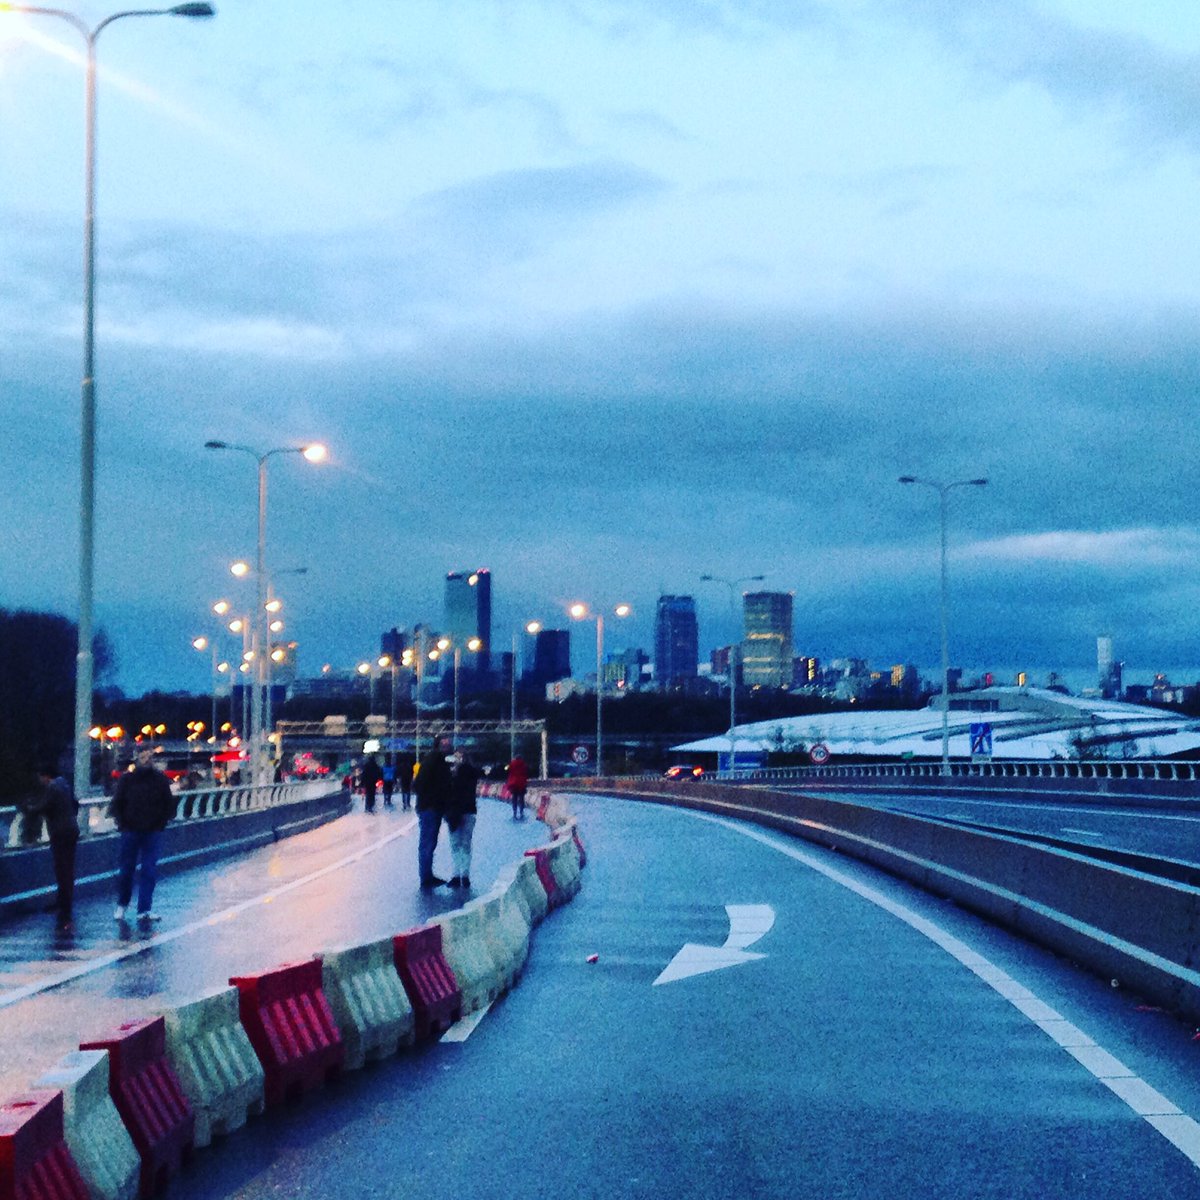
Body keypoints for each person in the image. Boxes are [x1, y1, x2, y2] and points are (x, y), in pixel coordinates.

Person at [111, 746, 177, 924]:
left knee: (149, 870)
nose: (146, 759)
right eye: (143, 756)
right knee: (126, 870)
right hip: (130, 830)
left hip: (152, 831)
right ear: (137, 758)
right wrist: (122, 823)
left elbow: (169, 804)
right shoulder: (127, 780)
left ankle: (144, 909)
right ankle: (122, 904)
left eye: (149, 756)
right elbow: (117, 803)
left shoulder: (160, 780)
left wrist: (161, 823)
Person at [22, 761, 80, 932]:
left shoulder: (53, 787)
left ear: (45, 776)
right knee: (66, 868)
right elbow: (75, 804)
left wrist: (27, 807)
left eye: (41, 777)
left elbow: (42, 807)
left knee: (62, 869)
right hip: (71, 830)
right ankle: (63, 903)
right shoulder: (65, 785)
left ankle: (65, 907)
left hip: (60, 833)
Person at [414, 740, 452, 888]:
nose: (448, 747)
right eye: (445, 745)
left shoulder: (435, 761)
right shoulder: (433, 762)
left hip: (432, 806)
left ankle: (427, 875)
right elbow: (420, 784)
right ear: (437, 746)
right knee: (427, 842)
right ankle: (426, 878)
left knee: (430, 842)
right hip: (430, 807)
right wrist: (432, 799)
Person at [445, 750, 480, 889]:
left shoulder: (453, 776)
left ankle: (456, 875)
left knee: (455, 844)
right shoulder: (472, 775)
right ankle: (465, 876)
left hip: (455, 813)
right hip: (469, 811)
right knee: (466, 844)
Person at [506, 754, 529, 820]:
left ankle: (514, 813)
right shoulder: (523, 764)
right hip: (521, 783)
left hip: (513, 784)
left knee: (514, 799)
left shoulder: (512, 764)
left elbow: (507, 769)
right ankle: (521, 813)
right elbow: (526, 772)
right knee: (521, 799)